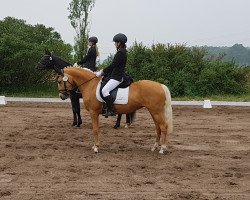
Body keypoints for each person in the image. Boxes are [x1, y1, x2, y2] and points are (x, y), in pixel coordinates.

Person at [96, 33, 128, 117]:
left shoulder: (120, 52)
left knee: (104, 91)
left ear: (119, 43)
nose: (114, 44)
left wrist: (102, 72)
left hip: (117, 77)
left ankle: (111, 110)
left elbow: (113, 65)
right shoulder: (121, 51)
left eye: (115, 42)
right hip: (115, 75)